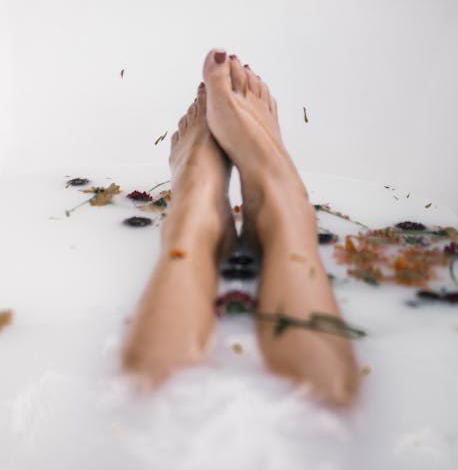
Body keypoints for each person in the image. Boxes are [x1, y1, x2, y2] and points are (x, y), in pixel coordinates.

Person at [121, 49, 360, 406]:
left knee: (144, 390)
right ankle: (282, 209)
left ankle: (196, 213)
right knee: (328, 399)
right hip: (313, 439)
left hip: (158, 428)